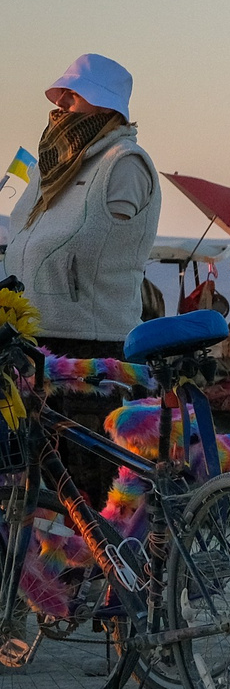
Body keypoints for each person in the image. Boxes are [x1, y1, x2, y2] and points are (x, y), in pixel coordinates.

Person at [1, 55, 161, 499]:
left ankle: (102, 568)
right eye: (63, 94)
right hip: (34, 344)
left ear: (105, 106)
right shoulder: (50, 165)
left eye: (75, 95)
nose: (62, 104)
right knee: (39, 486)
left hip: (91, 345)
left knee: (87, 482)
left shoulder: (125, 163)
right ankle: (56, 569)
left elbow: (101, 243)